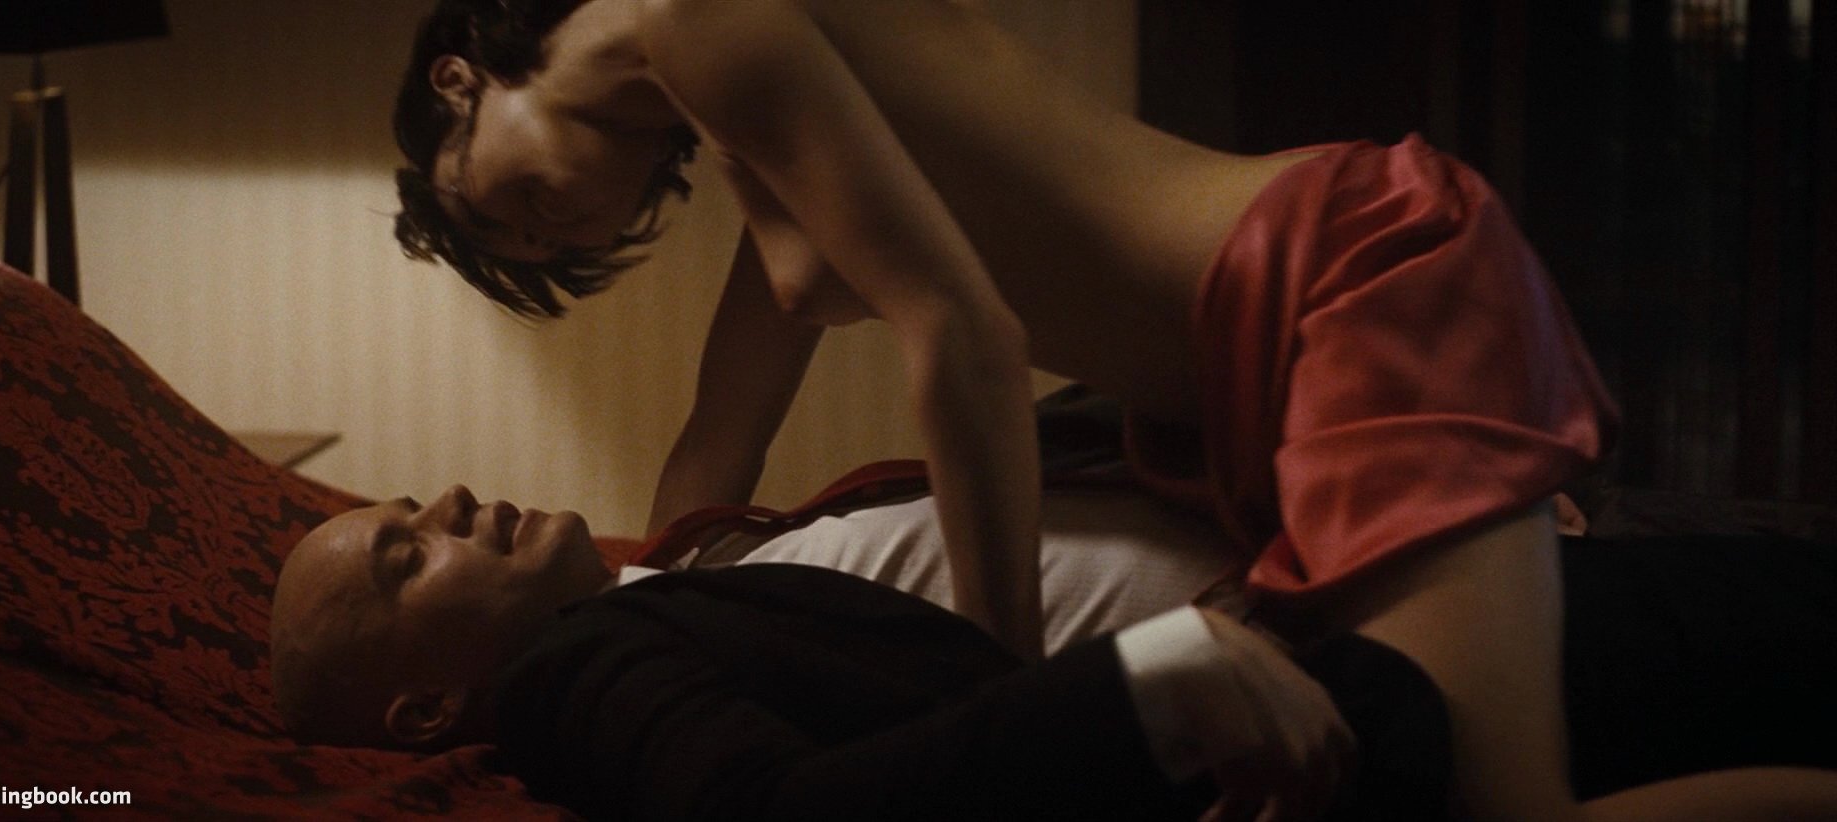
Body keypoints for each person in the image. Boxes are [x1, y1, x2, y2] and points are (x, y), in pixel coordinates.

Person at [384, 1, 1837, 818]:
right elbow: (724, 433)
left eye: (504, 207)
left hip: (1337, 280)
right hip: (1237, 397)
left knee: (1495, 813)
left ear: (460, 80)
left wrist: (1004, 684)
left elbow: (969, 342)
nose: (550, 231)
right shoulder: (739, 116)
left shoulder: (697, 18)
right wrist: (651, 581)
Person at [270, 480, 1455, 821]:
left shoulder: (647, 601)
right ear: (426, 711)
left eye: (413, 508)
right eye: (407, 557)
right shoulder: (565, 668)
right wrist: (1157, 683)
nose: (451, 501)